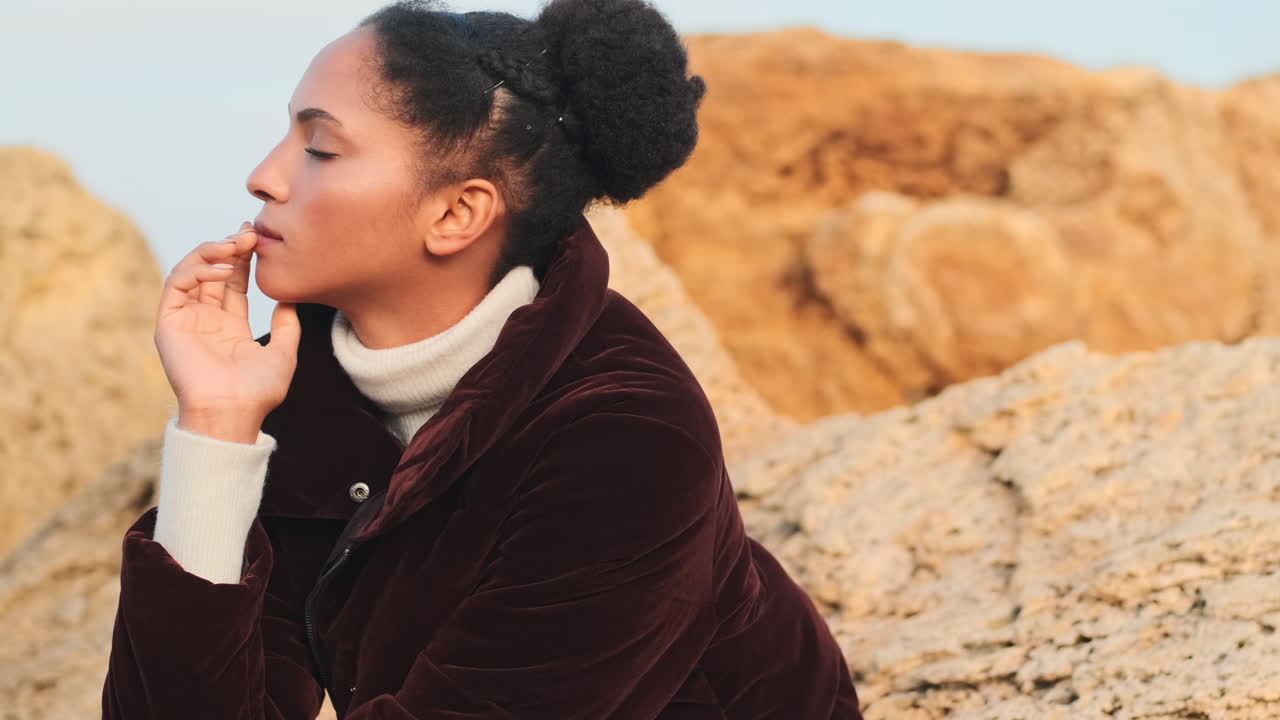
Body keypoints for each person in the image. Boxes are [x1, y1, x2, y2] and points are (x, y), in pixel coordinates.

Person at [100, 0, 863, 717]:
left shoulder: (627, 437)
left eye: (320, 148)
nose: (264, 175)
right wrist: (216, 427)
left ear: (457, 213)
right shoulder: (294, 392)